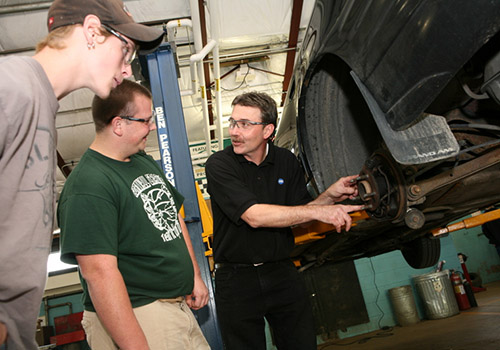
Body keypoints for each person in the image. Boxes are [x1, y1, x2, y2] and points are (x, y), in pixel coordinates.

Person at [0, 0, 164, 348]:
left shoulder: (40, 104)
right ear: (92, 32)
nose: (127, 70)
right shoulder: (11, 86)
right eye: (126, 50)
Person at [57, 79, 210, 350]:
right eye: (145, 120)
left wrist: (195, 275)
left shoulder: (141, 161)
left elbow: (172, 217)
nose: (151, 127)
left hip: (175, 308)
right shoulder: (88, 186)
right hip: (141, 313)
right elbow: (99, 275)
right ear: (118, 124)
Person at [205, 92, 364, 350]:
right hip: (236, 280)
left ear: (268, 130)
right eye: (233, 122)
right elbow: (254, 216)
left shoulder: (286, 162)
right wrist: (317, 212)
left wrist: (328, 196)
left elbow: (299, 215)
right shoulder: (220, 165)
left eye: (245, 124)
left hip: (281, 271)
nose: (235, 131)